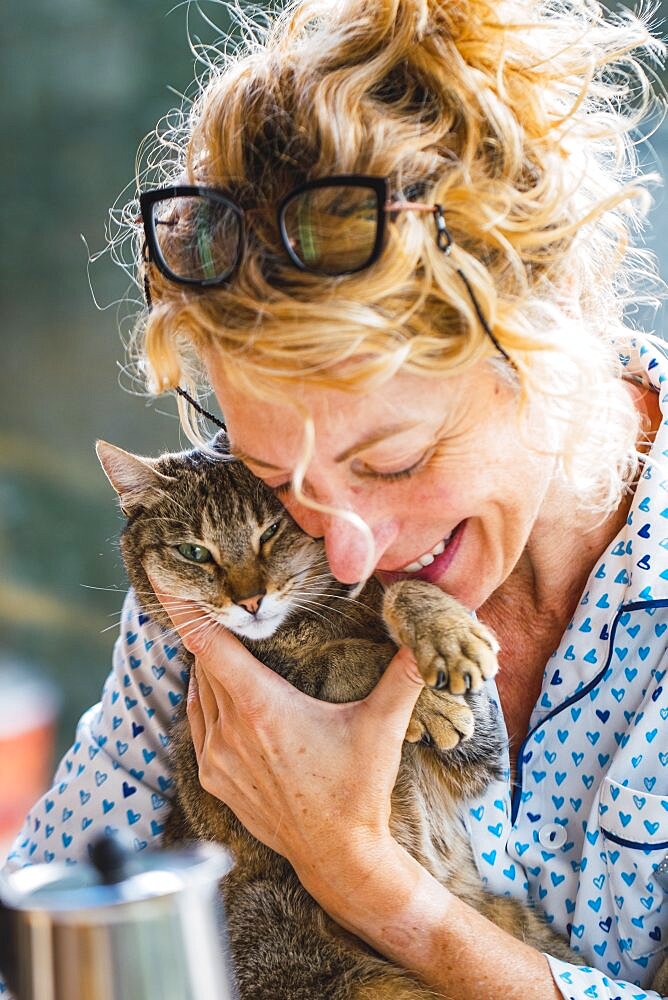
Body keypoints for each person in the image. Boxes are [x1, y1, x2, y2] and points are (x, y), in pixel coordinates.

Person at [3, 0, 668, 997]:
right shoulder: (227, 536)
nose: (346, 553)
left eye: (393, 462)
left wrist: (357, 872)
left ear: (552, 315)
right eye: (283, 479)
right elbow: (49, 943)